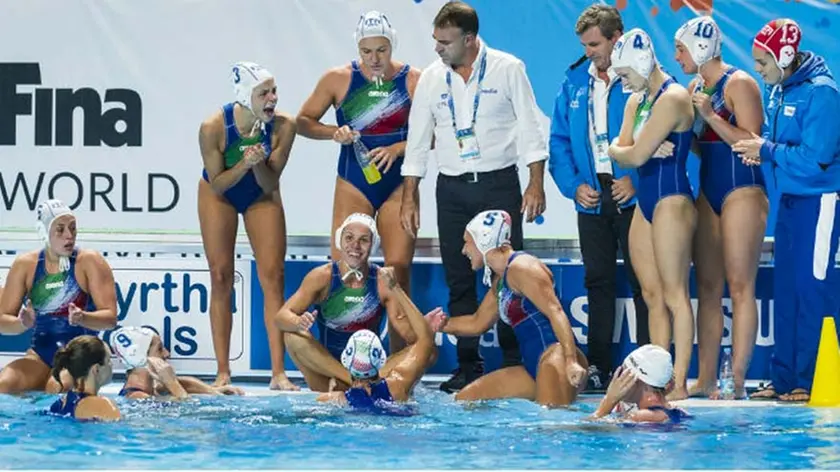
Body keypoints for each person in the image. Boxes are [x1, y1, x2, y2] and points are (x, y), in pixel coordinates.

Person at [400, 0, 547, 393]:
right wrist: (410, 194)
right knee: (459, 279)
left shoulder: (508, 68)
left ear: (469, 39)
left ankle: (517, 363)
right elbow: (417, 140)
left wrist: (536, 182)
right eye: (435, 40)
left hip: (499, 184)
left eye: (445, 41)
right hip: (450, 189)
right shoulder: (432, 78)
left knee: (509, 278)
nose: (437, 48)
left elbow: (531, 128)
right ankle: (469, 366)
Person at [295, 11, 421, 355]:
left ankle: (399, 364)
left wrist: (398, 148)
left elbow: (434, 132)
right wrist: (332, 133)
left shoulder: (413, 80)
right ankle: (343, 363)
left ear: (391, 46)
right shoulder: (338, 79)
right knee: (347, 274)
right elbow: (302, 122)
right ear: (358, 49)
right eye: (367, 51)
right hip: (354, 181)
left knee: (398, 273)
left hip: (398, 184)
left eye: (381, 50)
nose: (375, 59)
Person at [733, 19, 840, 403]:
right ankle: (783, 379)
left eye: (763, 62)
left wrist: (766, 150)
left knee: (812, 290)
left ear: (785, 55)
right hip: (791, 202)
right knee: (786, 290)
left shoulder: (822, 94)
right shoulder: (779, 90)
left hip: (819, 203)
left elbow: (816, 159)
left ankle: (809, 380)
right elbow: (777, 147)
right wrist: (760, 154)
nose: (758, 70)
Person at [548, 4, 649, 391]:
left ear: (616, 39)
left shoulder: (642, 77)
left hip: (632, 195)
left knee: (644, 284)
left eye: (594, 44)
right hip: (591, 196)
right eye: (585, 45)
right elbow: (558, 140)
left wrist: (636, 181)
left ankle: (647, 367)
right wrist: (574, 185)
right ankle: (600, 368)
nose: (589, 51)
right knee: (598, 282)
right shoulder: (575, 80)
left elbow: (664, 134)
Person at [673, 17, 768, 400]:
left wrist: (710, 116)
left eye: (681, 49)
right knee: (708, 287)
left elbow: (753, 143)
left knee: (741, 286)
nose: (676, 56)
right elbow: (705, 144)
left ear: (699, 48)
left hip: (741, 189)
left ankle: (738, 380)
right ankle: (708, 377)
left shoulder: (740, 83)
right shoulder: (695, 86)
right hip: (709, 188)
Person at [607, 28, 697, 400]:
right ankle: (655, 379)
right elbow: (617, 149)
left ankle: (679, 381)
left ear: (642, 63)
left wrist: (632, 150)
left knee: (675, 294)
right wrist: (629, 150)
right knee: (650, 293)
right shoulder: (635, 101)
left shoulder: (673, 98)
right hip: (645, 199)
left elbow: (635, 154)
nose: (624, 83)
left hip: (672, 199)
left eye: (626, 74)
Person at [198, 61, 297, 390]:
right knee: (220, 275)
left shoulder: (284, 127)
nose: (272, 98)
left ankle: (278, 373)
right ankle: (223, 372)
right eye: (263, 93)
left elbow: (270, 184)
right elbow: (217, 185)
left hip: (260, 191)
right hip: (221, 192)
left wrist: (256, 166)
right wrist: (245, 162)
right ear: (244, 96)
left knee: (273, 277)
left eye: (274, 91)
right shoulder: (214, 127)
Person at [425, 210, 588, 407]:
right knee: (466, 399)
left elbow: (556, 312)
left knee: (551, 428)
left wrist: (570, 361)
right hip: (533, 366)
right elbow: (477, 323)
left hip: (556, 359)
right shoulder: (502, 281)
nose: (463, 250)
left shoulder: (523, 268)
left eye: (467, 242)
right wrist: (440, 325)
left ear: (483, 241)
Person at [275, 213, 422, 392]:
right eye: (349, 238)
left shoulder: (381, 280)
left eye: (363, 240)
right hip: (329, 371)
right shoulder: (323, 276)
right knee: (292, 336)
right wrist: (297, 322)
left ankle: (367, 383)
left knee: (425, 349)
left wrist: (424, 327)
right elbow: (281, 317)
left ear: (373, 245)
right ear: (340, 241)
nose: (355, 246)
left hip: (372, 373)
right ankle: (353, 383)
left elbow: (409, 335)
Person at [0, 200, 117, 394]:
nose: (69, 236)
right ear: (44, 232)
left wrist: (83, 318)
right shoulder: (25, 265)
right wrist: (22, 323)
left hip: (80, 357)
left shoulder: (88, 261)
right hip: (40, 355)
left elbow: (110, 319)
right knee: (5, 384)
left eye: (72, 228)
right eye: (60, 230)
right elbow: (2, 322)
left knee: (58, 388)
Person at [316, 266, 438, 413]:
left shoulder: (335, 399)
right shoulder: (399, 385)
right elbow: (425, 340)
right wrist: (395, 287)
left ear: (346, 360)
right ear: (381, 360)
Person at [110, 326, 244, 399]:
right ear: (140, 357)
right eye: (160, 349)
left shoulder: (150, 390)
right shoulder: (137, 399)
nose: (167, 354)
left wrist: (214, 391)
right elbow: (188, 410)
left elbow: (184, 384)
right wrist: (172, 384)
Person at [591, 344, 690, 424]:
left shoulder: (642, 416)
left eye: (623, 374)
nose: (617, 380)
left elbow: (589, 430)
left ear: (638, 380)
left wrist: (609, 401)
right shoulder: (670, 411)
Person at [47, 335, 120, 421]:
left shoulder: (58, 405)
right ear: (96, 369)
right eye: (108, 360)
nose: (111, 365)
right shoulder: (103, 406)